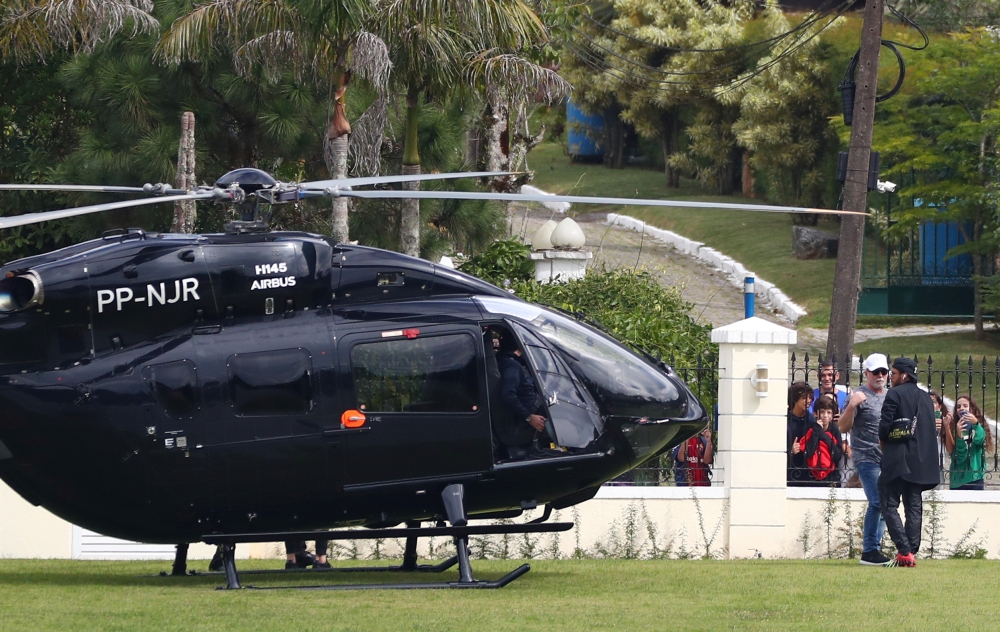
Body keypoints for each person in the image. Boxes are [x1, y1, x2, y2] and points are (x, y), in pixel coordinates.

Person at [878, 357, 939, 567]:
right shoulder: (925, 398)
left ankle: (904, 550)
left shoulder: (894, 393)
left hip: (898, 458)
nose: (890, 377)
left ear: (904, 375)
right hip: (919, 462)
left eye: (893, 373)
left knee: (888, 503)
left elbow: (884, 428)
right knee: (913, 506)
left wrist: (884, 439)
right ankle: (912, 551)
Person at [839, 353, 889, 566]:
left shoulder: (891, 395)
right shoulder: (858, 395)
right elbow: (842, 427)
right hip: (866, 456)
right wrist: (852, 405)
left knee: (887, 503)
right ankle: (869, 551)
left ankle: (875, 548)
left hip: (887, 458)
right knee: (877, 501)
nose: (880, 375)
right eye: (875, 371)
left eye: (884, 372)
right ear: (866, 373)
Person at [495, 334, 547, 459]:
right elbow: (508, 395)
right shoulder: (512, 366)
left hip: (526, 414)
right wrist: (529, 418)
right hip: (523, 423)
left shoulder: (502, 359)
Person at [944, 395, 993, 491]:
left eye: (965, 406)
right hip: (957, 480)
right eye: (958, 407)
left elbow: (980, 439)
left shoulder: (979, 427)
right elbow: (955, 454)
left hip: (974, 477)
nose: (961, 408)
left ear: (972, 409)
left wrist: (975, 424)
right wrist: (951, 430)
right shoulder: (954, 427)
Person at [796, 394, 845, 486]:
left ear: (833, 414)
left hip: (831, 476)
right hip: (811, 477)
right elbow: (808, 452)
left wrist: (823, 435)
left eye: (829, 412)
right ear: (815, 413)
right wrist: (816, 431)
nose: (825, 416)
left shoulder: (835, 430)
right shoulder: (809, 429)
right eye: (822, 412)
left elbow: (837, 456)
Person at [787, 381, 814, 486]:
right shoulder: (786, 420)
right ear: (795, 399)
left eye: (810, 398)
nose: (808, 401)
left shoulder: (811, 419)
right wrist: (791, 451)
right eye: (804, 398)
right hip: (790, 472)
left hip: (808, 470)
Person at [929, 391, 952, 485]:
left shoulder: (946, 420)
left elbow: (950, 448)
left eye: (933, 402)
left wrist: (946, 427)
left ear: (939, 406)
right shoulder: (918, 420)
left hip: (938, 464)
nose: (930, 405)